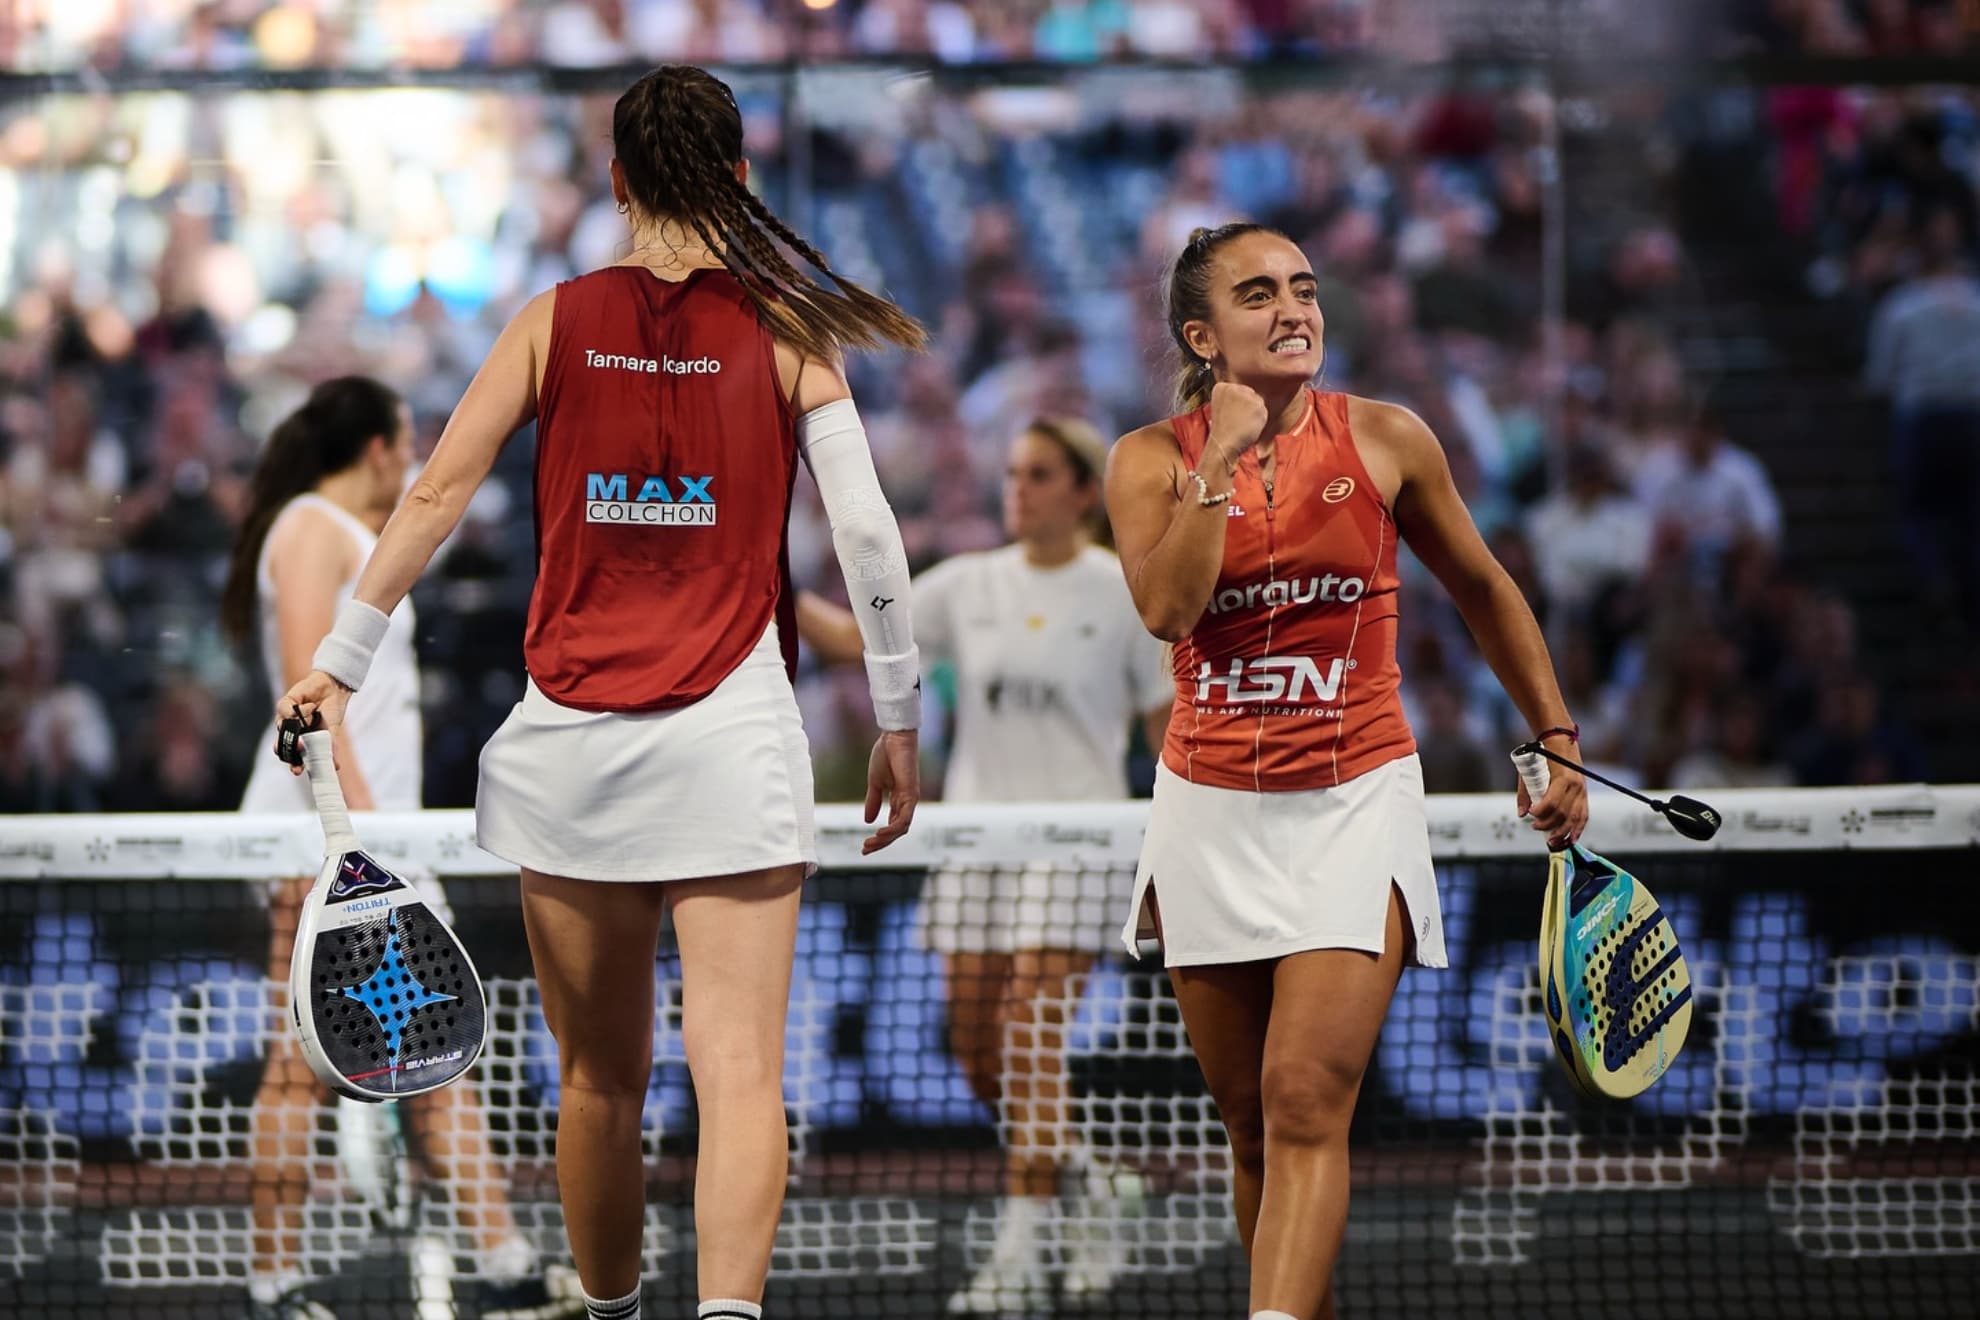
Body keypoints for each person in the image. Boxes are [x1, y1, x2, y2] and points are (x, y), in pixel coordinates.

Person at [276, 66, 925, 1320]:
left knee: (598, 1084)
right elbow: (873, 539)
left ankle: (615, 1308)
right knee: (739, 1072)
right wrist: (897, 715)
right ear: (742, 178)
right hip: (733, 737)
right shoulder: (790, 326)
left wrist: (337, 665)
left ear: (617, 181)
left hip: (568, 746)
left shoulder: (553, 316)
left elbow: (432, 495)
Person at [1105, 222, 1588, 1320]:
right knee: (1248, 1122)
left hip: (1354, 797)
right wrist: (1218, 464)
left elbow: (1483, 587)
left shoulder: (1387, 438)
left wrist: (1555, 737)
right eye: (1260, 293)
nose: (1294, 310)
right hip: (1207, 810)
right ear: (1203, 334)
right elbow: (1168, 609)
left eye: (1305, 290)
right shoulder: (1148, 460)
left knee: (1305, 1096)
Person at [797, 416, 1172, 1313]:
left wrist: (1168, 859)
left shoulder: (1127, 595)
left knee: (1031, 1032)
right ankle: (1089, 1177)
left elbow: (1167, 743)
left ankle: (1018, 1253)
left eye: (1039, 474)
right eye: (1011, 472)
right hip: (979, 845)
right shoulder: (969, 584)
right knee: (977, 1046)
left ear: (1085, 494)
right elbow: (856, 640)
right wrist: (760, 577)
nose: (1018, 489)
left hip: (1079, 843)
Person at [224, 377, 570, 1320]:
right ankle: (275, 1280)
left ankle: (504, 1261)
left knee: (430, 1051)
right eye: (407, 441)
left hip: (377, 844)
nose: (414, 459)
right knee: (295, 1068)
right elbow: (306, 707)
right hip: (325, 842)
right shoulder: (306, 529)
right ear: (378, 449)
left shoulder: (350, 540)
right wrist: (356, 849)